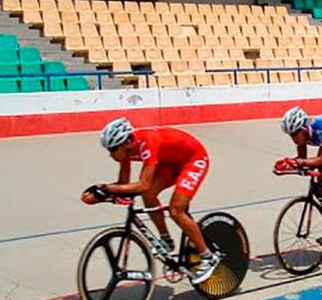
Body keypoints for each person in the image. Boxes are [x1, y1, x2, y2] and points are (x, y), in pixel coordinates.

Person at [82, 118, 219, 285]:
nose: (110, 154)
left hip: (193, 159)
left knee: (176, 209)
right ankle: (166, 239)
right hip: (169, 162)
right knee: (149, 195)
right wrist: (101, 194)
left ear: (126, 143)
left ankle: (208, 257)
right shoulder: (126, 149)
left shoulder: (148, 143)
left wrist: (109, 188)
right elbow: (124, 185)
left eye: (112, 149)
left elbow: (142, 184)